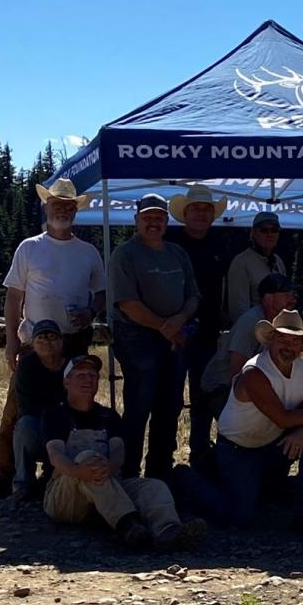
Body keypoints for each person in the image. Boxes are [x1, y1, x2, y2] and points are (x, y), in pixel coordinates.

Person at [0, 178, 106, 499]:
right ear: (46, 207)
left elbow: (102, 293)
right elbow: (13, 298)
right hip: (34, 342)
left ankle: (57, 473)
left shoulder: (88, 252)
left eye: (69, 206)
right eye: (57, 205)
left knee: (70, 407)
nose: (63, 211)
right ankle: (2, 475)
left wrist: (91, 311)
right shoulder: (30, 247)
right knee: (18, 409)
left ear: (76, 211)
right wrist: (11, 341)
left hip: (74, 343)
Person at [43, 355, 206, 549]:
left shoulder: (108, 416)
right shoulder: (55, 414)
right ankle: (129, 526)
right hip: (67, 496)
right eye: (80, 375)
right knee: (87, 459)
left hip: (108, 486)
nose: (87, 380)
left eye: (92, 375)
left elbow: (118, 450)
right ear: (66, 381)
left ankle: (169, 531)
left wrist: (110, 467)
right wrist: (78, 471)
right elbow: (55, 455)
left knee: (153, 486)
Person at [216, 310, 303, 532]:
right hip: (238, 449)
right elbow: (283, 418)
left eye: (295, 340)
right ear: (271, 339)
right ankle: (187, 481)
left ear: (302, 345)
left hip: (274, 444)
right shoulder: (254, 371)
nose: (289, 345)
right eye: (283, 338)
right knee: (239, 517)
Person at [109, 193, 200, 481]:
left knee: (169, 407)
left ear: (167, 221)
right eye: (147, 217)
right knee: (139, 407)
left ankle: (159, 474)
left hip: (174, 337)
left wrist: (179, 320)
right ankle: (130, 474)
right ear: (136, 220)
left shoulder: (178, 253)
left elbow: (194, 296)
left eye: (159, 217)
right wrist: (166, 326)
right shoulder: (125, 254)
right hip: (137, 338)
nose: (153, 222)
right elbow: (127, 304)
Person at [167, 184, 228, 470]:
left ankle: (199, 453)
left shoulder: (221, 244)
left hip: (207, 335)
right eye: (196, 209)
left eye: (207, 209)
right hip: (174, 333)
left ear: (213, 215)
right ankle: (163, 456)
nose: (202, 214)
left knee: (203, 397)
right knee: (170, 398)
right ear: (185, 213)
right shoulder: (169, 242)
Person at [200, 273, 298, 414]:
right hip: (221, 388)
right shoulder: (251, 322)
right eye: (286, 295)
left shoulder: (281, 321)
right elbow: (237, 369)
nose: (292, 299)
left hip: (249, 384)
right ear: (268, 299)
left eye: (292, 294)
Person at [11, 319, 66, 501]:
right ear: (33, 344)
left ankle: (55, 480)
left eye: (52, 337)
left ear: (61, 341)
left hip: (67, 426)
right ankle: (23, 484)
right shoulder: (27, 366)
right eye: (41, 338)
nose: (47, 342)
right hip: (40, 425)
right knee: (24, 425)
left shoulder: (72, 365)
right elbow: (27, 407)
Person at [227, 212, 287, 323]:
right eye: (264, 230)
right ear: (254, 233)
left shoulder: (278, 262)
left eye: (274, 230)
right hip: (251, 330)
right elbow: (238, 309)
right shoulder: (241, 262)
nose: (270, 234)